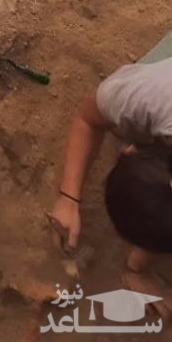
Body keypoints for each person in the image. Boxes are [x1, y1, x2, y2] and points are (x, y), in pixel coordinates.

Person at [49, 47, 172, 301]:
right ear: (130, 150)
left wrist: (137, 267)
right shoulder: (151, 95)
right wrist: (68, 198)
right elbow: (88, 118)